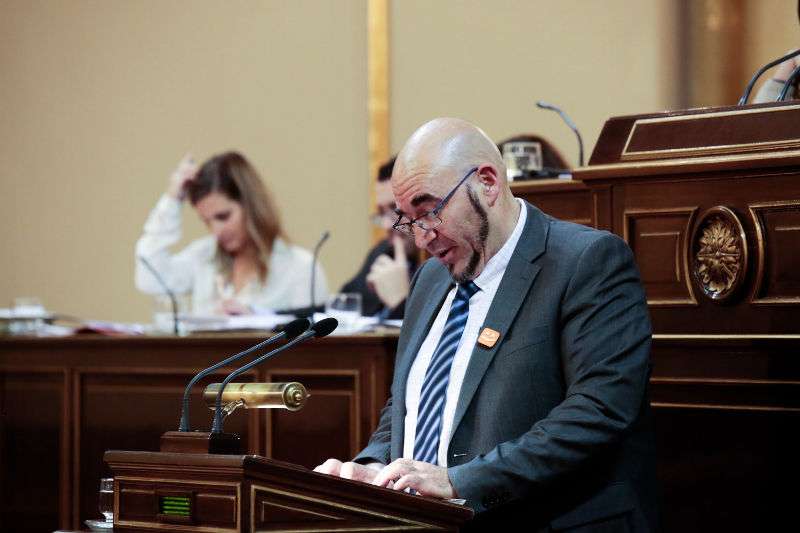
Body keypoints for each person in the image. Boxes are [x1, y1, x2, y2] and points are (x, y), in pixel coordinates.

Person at [315, 118, 658, 531]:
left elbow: (598, 411)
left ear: (488, 183)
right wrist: (374, 468)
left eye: (429, 212)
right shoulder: (430, 278)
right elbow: (409, 402)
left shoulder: (586, 262)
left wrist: (460, 482)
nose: (421, 238)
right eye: (408, 221)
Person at [135, 152, 328, 316]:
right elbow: (150, 277)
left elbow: (313, 343)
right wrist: (172, 199)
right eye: (207, 221)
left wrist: (253, 319)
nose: (216, 231)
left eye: (223, 216)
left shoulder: (300, 267)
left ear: (250, 205)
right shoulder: (203, 256)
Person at [339, 157, 419, 320]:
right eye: (382, 213)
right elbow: (344, 302)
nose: (386, 225)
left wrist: (401, 302)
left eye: (396, 210)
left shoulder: (444, 264)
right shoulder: (384, 251)